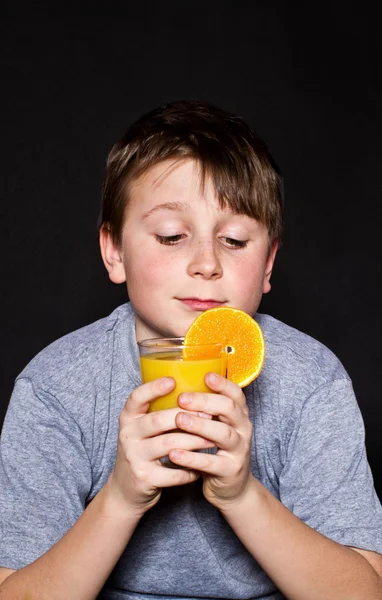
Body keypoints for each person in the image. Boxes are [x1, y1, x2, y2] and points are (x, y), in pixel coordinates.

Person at [0, 100, 381, 600]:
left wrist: (243, 496)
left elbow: (362, 592)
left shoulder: (310, 380)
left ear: (268, 264)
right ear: (114, 251)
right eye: (172, 236)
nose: (206, 263)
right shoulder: (55, 388)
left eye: (236, 240)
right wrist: (119, 497)